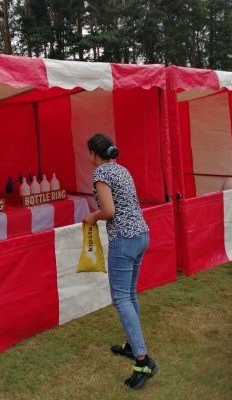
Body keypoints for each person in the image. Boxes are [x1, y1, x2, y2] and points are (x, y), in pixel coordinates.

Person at [83, 133, 158, 390]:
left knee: (121, 298)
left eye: (88, 152)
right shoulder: (121, 170)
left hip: (124, 239)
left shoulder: (101, 174)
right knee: (130, 293)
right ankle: (130, 344)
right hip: (141, 235)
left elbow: (110, 211)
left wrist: (93, 216)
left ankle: (142, 360)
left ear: (94, 153)